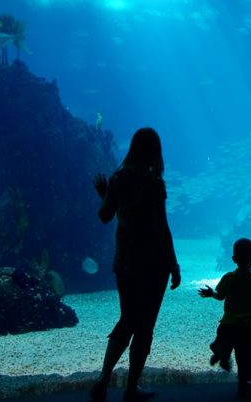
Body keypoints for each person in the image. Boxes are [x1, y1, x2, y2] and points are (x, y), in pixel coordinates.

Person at [90, 127, 182, 402]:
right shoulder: (154, 182)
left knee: (127, 319)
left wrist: (107, 194)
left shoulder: (118, 178)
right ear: (155, 151)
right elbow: (161, 227)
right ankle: (131, 387)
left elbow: (105, 216)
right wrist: (174, 264)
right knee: (145, 326)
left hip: (126, 261)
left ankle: (103, 380)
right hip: (153, 264)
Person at [198, 238, 251, 399]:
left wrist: (211, 293)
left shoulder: (228, 277)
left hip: (227, 325)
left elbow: (219, 296)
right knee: (246, 357)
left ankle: (221, 351)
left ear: (234, 259)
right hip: (247, 328)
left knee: (226, 342)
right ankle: (243, 385)